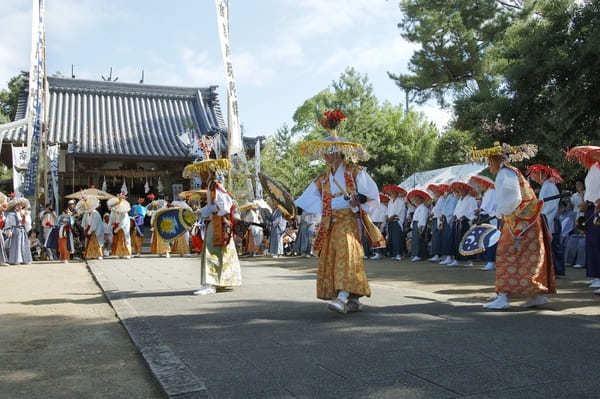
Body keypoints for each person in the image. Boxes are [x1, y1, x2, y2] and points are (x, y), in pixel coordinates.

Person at [295, 110, 385, 313]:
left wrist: (359, 199)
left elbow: (372, 195)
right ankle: (353, 299)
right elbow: (308, 197)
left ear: (337, 152)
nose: (325, 155)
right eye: (324, 152)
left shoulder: (355, 171)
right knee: (334, 258)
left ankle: (343, 296)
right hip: (331, 222)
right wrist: (295, 206)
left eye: (328, 151)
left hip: (348, 221)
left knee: (347, 255)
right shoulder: (323, 177)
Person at [469, 142, 556, 309]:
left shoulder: (505, 174)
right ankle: (536, 294)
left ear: (497, 160)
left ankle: (504, 296)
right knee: (528, 258)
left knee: (505, 254)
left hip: (520, 222)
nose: (488, 165)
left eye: (489, 161)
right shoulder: (510, 172)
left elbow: (512, 199)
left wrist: (501, 213)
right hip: (527, 221)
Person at [191, 150, 242, 295]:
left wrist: (209, 212)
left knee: (211, 251)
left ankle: (211, 284)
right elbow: (213, 206)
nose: (200, 175)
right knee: (219, 251)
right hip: (217, 221)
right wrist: (202, 211)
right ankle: (220, 281)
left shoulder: (214, 186)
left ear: (209, 172)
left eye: (202, 172)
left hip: (218, 222)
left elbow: (224, 205)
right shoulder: (211, 186)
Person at [565, 146, 600, 294]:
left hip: (597, 206)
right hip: (590, 207)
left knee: (597, 242)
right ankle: (594, 274)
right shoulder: (593, 168)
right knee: (592, 242)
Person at [528, 164, 564, 276]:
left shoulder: (549, 186)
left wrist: (543, 216)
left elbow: (551, 205)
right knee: (552, 246)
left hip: (550, 218)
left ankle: (557, 270)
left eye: (534, 174)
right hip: (548, 217)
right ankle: (555, 270)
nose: (532, 176)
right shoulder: (547, 185)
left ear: (541, 174)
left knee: (554, 246)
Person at [469, 175, 498, 271]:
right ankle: (490, 261)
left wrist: (479, 210)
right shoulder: (487, 193)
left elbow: (488, 207)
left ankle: (491, 261)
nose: (479, 186)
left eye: (480, 184)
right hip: (486, 217)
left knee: (489, 239)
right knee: (486, 239)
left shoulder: (491, 192)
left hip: (490, 218)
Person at [448, 181, 478, 267]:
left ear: (466, 190)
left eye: (461, 189)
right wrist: (454, 216)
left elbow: (474, 211)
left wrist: (466, 216)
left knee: (467, 241)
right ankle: (457, 259)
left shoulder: (471, 199)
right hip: (458, 222)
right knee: (457, 241)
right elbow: (456, 211)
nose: (459, 191)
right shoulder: (459, 200)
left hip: (466, 222)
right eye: (458, 190)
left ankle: (469, 260)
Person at [4, 197, 33, 265]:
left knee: (23, 244)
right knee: (15, 245)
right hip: (15, 230)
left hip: (22, 230)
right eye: (18, 205)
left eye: (21, 205)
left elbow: (27, 223)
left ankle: (25, 259)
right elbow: (8, 223)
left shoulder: (24, 213)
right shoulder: (11, 214)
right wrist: (9, 231)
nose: (19, 206)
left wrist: (25, 217)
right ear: (15, 206)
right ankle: (15, 260)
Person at [384, 185, 407, 261]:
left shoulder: (400, 201)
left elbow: (397, 213)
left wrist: (390, 218)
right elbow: (388, 212)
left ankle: (399, 254)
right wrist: (387, 217)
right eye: (390, 192)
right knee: (391, 239)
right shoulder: (390, 201)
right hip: (390, 221)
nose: (391, 193)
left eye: (393, 192)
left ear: (396, 193)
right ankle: (394, 254)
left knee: (397, 238)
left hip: (397, 221)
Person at [78, 196, 104, 260]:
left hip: (96, 230)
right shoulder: (86, 213)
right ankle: (90, 255)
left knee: (96, 243)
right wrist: (84, 229)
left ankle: (99, 254)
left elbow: (94, 225)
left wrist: (89, 231)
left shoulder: (95, 213)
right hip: (88, 229)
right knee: (89, 243)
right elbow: (83, 222)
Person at [408, 189, 431, 262]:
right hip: (415, 224)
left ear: (420, 200)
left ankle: (419, 255)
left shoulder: (423, 208)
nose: (414, 201)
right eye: (414, 200)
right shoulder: (418, 208)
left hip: (419, 225)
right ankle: (416, 254)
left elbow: (423, 217)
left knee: (419, 240)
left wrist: (421, 226)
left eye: (416, 199)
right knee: (415, 240)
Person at [438, 183, 457, 265]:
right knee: (445, 238)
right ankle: (447, 256)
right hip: (446, 219)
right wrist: (442, 214)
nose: (445, 191)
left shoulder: (453, 198)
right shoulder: (448, 198)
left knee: (449, 238)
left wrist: (445, 215)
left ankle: (449, 256)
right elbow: (444, 208)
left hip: (450, 219)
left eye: (446, 190)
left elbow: (451, 209)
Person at [108, 193, 132, 259]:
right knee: (116, 240)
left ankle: (127, 253)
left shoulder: (124, 211)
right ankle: (117, 253)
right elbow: (111, 219)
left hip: (123, 228)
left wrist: (117, 228)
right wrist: (111, 226)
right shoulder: (114, 210)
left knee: (124, 240)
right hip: (116, 227)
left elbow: (123, 222)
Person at [427, 184, 444, 262]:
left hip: (438, 220)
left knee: (437, 237)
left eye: (435, 192)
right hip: (435, 220)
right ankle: (435, 254)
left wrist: (432, 214)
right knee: (435, 237)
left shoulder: (442, 199)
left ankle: (438, 254)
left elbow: (439, 211)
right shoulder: (437, 200)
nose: (434, 193)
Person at [369, 193, 389, 260]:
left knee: (379, 239)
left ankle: (379, 253)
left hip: (380, 223)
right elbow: (369, 213)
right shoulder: (373, 206)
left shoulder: (384, 207)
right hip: (373, 223)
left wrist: (382, 224)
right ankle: (378, 253)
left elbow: (385, 216)